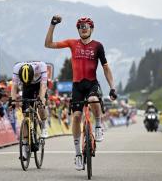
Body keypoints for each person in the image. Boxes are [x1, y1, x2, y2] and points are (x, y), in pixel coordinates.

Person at [45, 15, 117, 170]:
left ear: (91, 28)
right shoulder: (72, 43)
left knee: (92, 100)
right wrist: (52, 25)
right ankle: (78, 153)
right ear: (78, 30)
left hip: (91, 84)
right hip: (77, 86)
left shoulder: (98, 46)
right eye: (80, 27)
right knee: (76, 117)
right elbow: (48, 44)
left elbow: (105, 68)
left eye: (86, 26)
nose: (83, 29)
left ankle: (98, 125)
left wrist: (112, 87)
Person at [11, 61, 48, 138]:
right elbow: (14, 87)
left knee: (41, 104)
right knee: (25, 114)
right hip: (26, 86)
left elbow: (43, 86)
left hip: (39, 84)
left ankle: (44, 127)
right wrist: (13, 101)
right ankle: (26, 141)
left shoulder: (41, 67)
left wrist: (41, 100)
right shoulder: (17, 68)